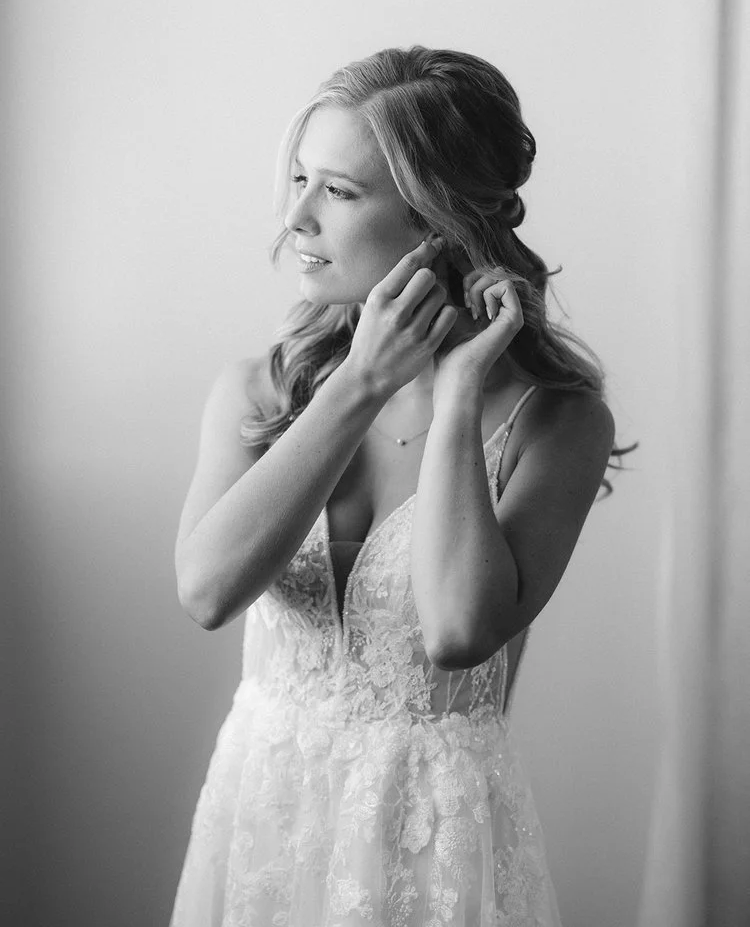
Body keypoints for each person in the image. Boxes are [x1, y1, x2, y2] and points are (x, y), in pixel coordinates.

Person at [169, 46, 629, 927]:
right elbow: (206, 591)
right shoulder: (258, 391)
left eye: (338, 192)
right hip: (263, 822)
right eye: (299, 179)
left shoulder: (558, 423)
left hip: (433, 847)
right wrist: (358, 384)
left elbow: (459, 632)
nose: (295, 217)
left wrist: (456, 396)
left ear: (438, 222)